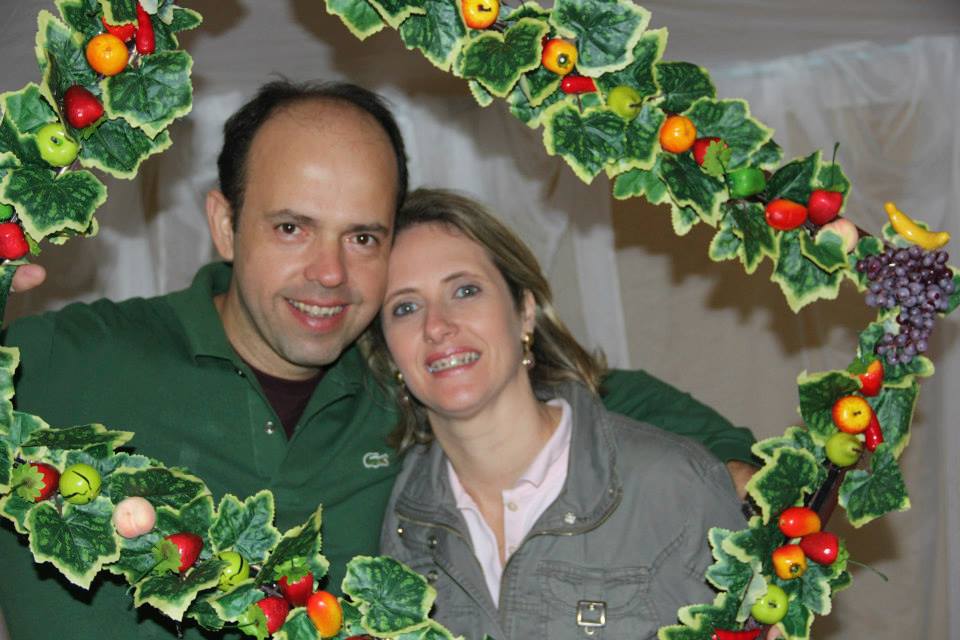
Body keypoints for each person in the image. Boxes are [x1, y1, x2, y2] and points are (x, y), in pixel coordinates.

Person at [0, 80, 756, 640]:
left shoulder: (402, 382)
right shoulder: (69, 361)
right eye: (293, 227)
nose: (330, 273)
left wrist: (740, 483)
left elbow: (573, 390)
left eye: (363, 237)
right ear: (226, 225)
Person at [374, 189, 747, 639]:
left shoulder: (673, 487)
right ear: (390, 352)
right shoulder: (402, 525)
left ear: (525, 312)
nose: (436, 326)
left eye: (465, 290)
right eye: (405, 307)